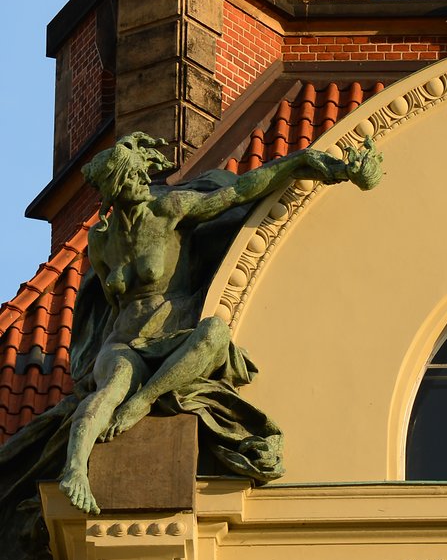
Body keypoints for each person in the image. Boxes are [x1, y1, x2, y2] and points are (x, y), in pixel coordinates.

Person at [44, 129, 380, 516]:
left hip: (171, 332)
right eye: (131, 178)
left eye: (140, 174)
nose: (141, 183)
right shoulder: (102, 242)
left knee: (215, 334)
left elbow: (236, 194)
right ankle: (74, 471)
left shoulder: (169, 211)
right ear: (113, 188)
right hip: (123, 341)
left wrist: (298, 163)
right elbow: (108, 301)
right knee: (110, 386)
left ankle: (143, 401)